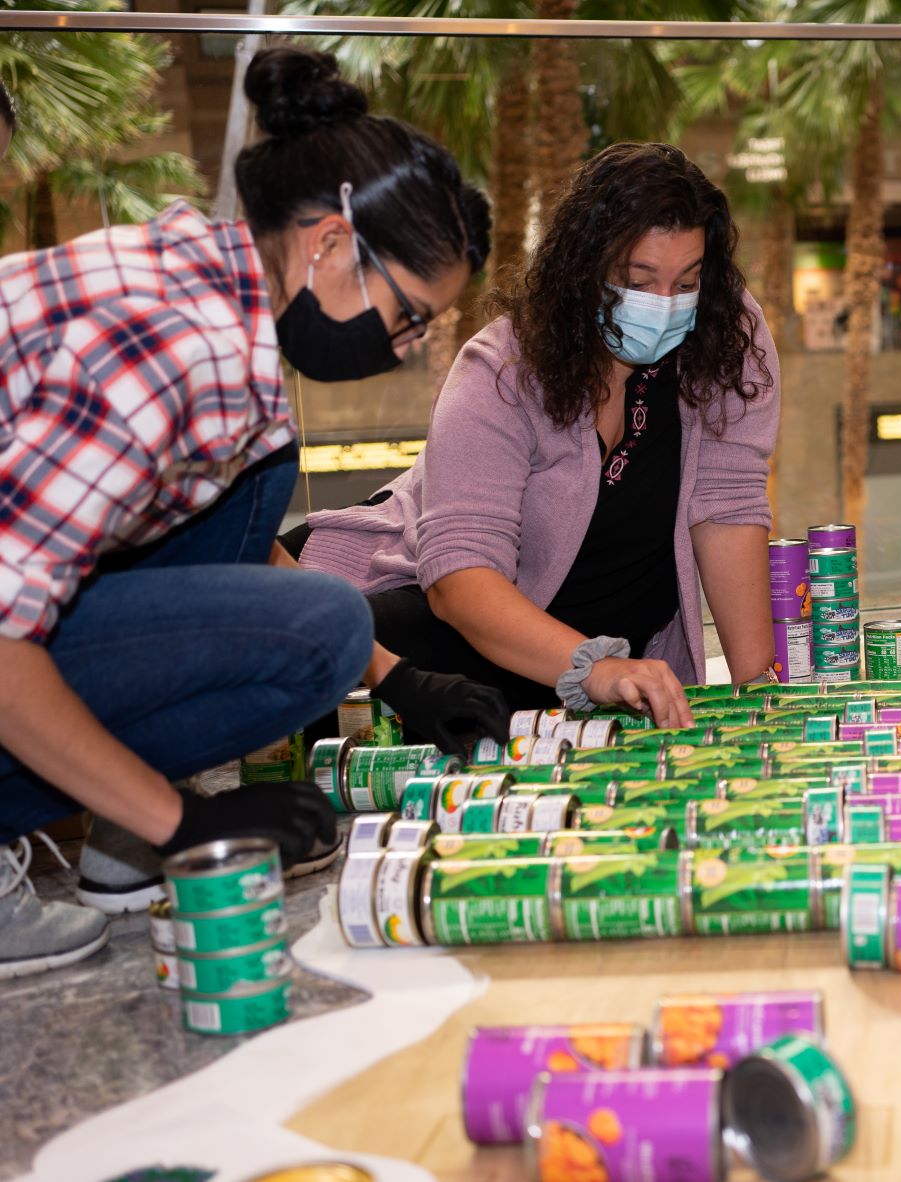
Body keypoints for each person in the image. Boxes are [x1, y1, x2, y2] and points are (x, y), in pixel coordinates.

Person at [0, 47, 505, 978]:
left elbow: (216, 540)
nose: (407, 347)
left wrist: (395, 678)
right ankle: (113, 824)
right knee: (320, 626)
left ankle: (119, 835)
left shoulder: (212, 285)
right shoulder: (173, 347)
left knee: (273, 516)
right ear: (330, 245)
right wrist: (184, 823)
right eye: (410, 315)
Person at [293, 142, 779, 724]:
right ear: (584, 271)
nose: (664, 305)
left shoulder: (724, 332)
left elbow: (728, 505)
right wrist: (593, 668)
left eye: (685, 283)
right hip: (445, 626)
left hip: (600, 660)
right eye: (638, 281)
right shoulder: (501, 371)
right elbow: (459, 580)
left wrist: (760, 697)